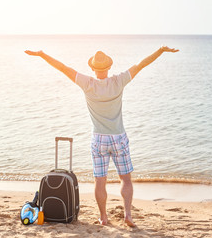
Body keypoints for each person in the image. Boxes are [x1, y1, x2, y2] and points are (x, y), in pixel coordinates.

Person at [25, 46, 179, 227]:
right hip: (118, 137)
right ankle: (128, 215)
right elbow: (141, 65)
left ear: (93, 68)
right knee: (126, 179)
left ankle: (104, 216)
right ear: (108, 67)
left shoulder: (87, 83)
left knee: (100, 180)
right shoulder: (118, 81)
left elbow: (63, 67)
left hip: (99, 139)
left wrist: (42, 55)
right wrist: (160, 51)